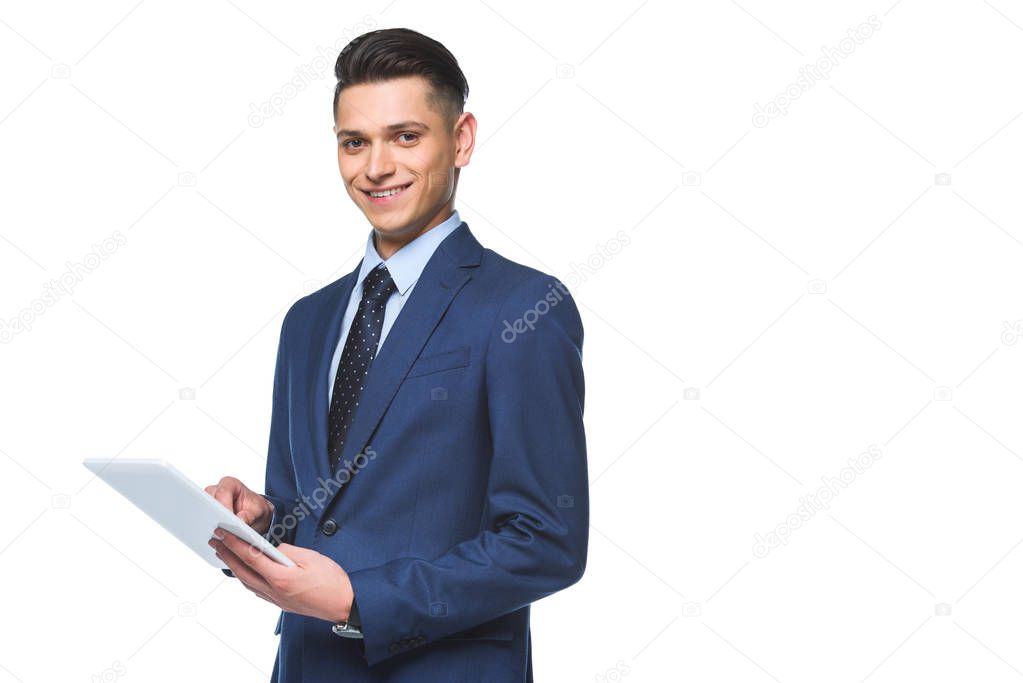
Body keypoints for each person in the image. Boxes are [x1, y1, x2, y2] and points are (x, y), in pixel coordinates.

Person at [205, 27, 588, 682]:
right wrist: (264, 519)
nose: (375, 166)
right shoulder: (308, 319)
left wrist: (360, 600)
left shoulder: (521, 307)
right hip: (307, 665)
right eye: (354, 141)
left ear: (460, 138)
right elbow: (318, 510)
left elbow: (546, 541)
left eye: (405, 136)